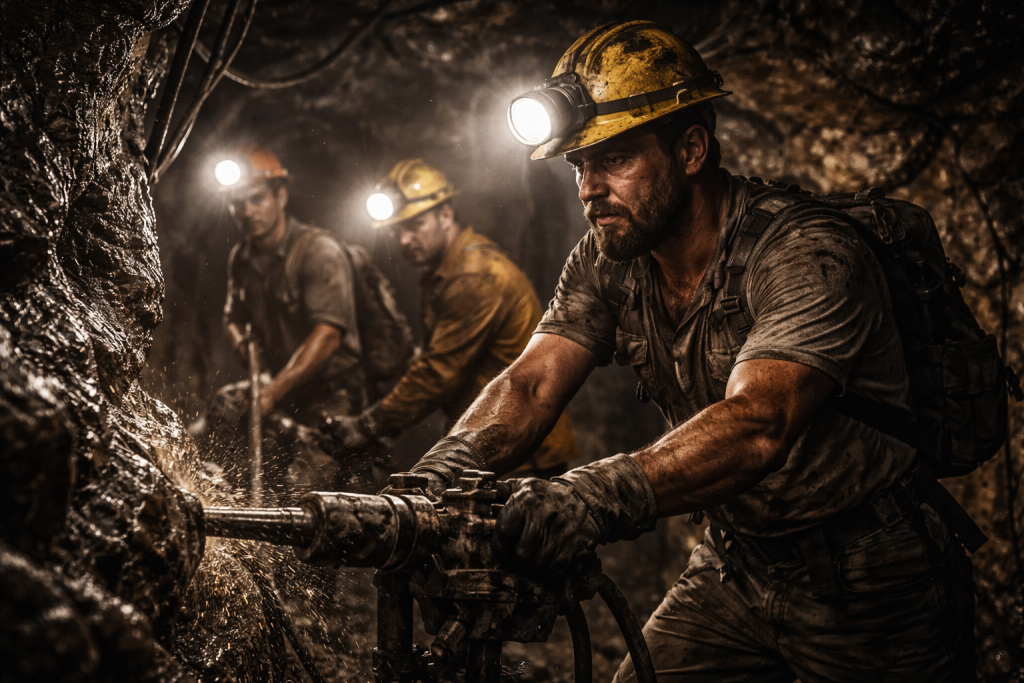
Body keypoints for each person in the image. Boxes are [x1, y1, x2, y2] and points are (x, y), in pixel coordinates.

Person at [403, 21, 977, 682]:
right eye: (579, 166)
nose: (589, 188)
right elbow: (531, 382)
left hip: (872, 580)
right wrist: (434, 477)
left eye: (613, 158)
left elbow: (760, 421)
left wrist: (592, 495)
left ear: (692, 150)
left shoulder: (806, 253)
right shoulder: (608, 257)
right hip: (738, 564)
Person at [326, 158, 578, 479]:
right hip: (497, 441)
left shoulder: (474, 276)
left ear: (445, 215)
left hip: (522, 450)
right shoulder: (446, 271)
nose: (403, 240)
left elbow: (437, 373)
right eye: (397, 230)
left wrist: (369, 425)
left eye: (415, 225)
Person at [210, 145, 377, 495]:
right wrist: (241, 342)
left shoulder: (319, 251)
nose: (247, 211)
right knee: (225, 405)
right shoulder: (241, 258)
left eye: (257, 199)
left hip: (332, 393)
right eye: (237, 202)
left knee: (306, 487)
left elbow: (328, 335)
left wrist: (271, 392)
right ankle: (229, 496)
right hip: (281, 386)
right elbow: (231, 317)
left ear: (280, 196)